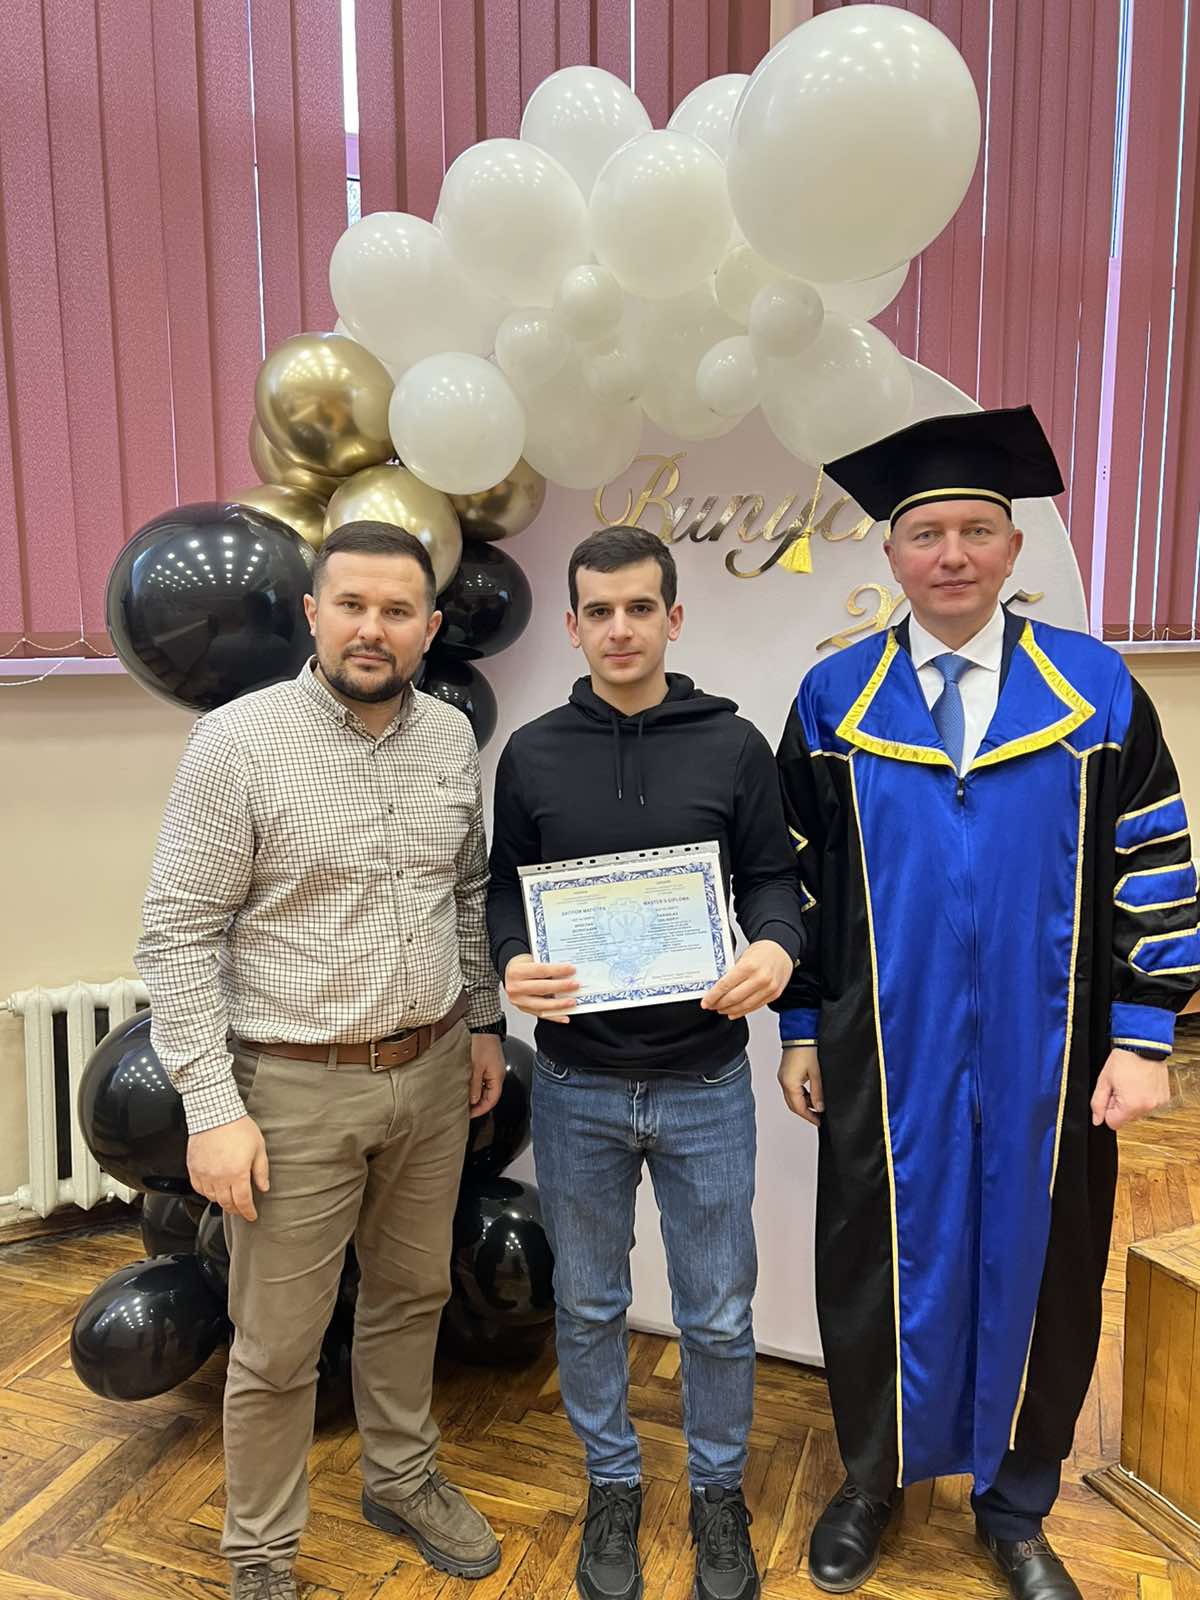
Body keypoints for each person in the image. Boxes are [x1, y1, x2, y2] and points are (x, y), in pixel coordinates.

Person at [772, 408, 1199, 1599]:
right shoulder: (833, 699)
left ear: (1014, 548)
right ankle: (872, 1479)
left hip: (1050, 1051)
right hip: (882, 1045)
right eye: (927, 533)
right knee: (874, 1260)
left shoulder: (1094, 690)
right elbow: (790, 881)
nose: (951, 554)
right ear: (892, 553)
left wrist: (1145, 1035)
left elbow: (1155, 861)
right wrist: (801, 1025)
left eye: (975, 530)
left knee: (1045, 1263)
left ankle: (1016, 1507)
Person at [136, 522, 508, 1600]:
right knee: (278, 1343)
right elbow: (178, 934)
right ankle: (260, 1553)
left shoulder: (449, 738)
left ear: (429, 627)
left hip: (433, 1070)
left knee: (412, 1294)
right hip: (292, 1089)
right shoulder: (238, 743)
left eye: (398, 610)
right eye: (352, 605)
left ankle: (402, 1476)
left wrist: (483, 1022)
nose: (372, 629)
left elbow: (465, 892)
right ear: (313, 613)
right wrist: (211, 1106)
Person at [486, 526, 806, 1600]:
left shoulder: (734, 745)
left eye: (639, 608)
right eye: (599, 611)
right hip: (575, 1084)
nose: (619, 629)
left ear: (674, 617)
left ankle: (718, 1493)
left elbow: (772, 878)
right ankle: (612, 1484)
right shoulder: (532, 754)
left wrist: (776, 945)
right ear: (572, 626)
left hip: (705, 1082)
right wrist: (512, 958)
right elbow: (504, 887)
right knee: (588, 1305)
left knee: (717, 1310)